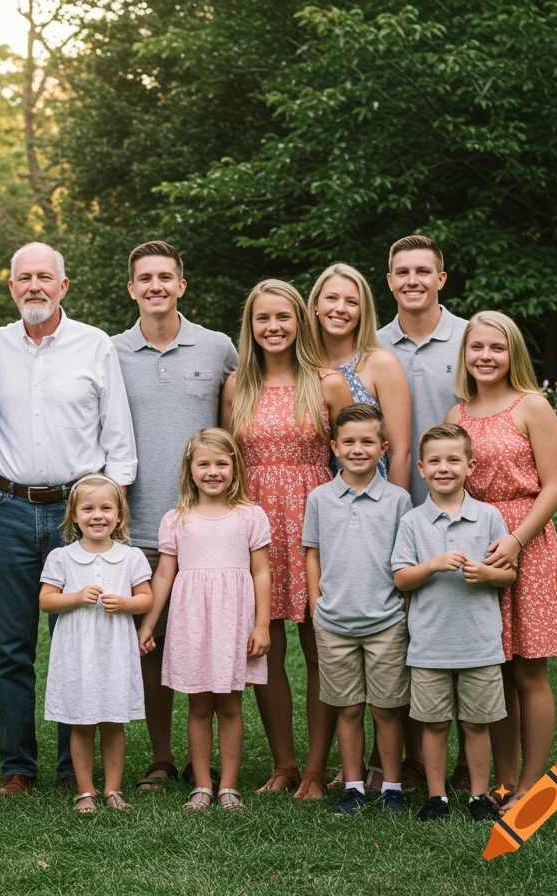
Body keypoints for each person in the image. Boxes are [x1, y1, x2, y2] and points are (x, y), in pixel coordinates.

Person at [0, 242, 137, 795]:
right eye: (23, 277)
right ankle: (17, 766)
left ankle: (76, 768)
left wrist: (106, 514)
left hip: (80, 514)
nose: (34, 287)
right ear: (11, 287)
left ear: (63, 286)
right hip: (7, 509)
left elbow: (118, 439)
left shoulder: (95, 345)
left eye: (45, 277)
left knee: (82, 638)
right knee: (12, 646)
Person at [112, 240, 238, 792]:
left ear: (181, 285)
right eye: (146, 278)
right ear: (132, 288)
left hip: (207, 526)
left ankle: (211, 763)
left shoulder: (216, 349)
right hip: (138, 525)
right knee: (152, 645)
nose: (156, 286)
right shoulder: (108, 351)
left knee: (213, 642)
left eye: (166, 277)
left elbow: (231, 435)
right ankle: (162, 757)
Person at [222, 278, 351, 799]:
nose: (273, 327)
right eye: (262, 319)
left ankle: (319, 768)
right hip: (255, 526)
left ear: (300, 321)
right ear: (250, 327)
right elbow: (223, 462)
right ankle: (284, 765)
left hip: (317, 523)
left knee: (322, 644)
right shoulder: (236, 387)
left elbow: (356, 457)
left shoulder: (328, 383)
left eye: (283, 317)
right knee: (265, 646)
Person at [447, 311, 557, 813]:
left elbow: (555, 485)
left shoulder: (532, 406)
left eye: (496, 348)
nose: (486, 356)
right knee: (491, 668)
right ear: (465, 354)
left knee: (528, 672)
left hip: (527, 543)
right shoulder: (458, 415)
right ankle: (501, 779)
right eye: (477, 347)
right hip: (479, 544)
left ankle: (531, 784)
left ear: (512, 353)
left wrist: (518, 539)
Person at [139, 428, 272, 813]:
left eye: (221, 463)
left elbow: (261, 572)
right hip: (192, 623)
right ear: (190, 469)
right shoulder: (176, 519)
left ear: (234, 468)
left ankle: (228, 786)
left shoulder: (250, 515)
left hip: (234, 623)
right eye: (204, 464)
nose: (213, 472)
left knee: (230, 705)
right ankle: (201, 785)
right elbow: (164, 575)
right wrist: (148, 624)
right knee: (198, 706)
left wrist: (261, 625)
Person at [392, 424, 516, 822]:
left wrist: (488, 574)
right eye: (435, 461)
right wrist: (431, 566)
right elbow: (400, 577)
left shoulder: (488, 516)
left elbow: (509, 574)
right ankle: (436, 796)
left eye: (453, 460)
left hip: (479, 643)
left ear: (470, 465)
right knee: (435, 724)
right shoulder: (413, 522)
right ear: (421, 468)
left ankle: (480, 796)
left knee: (477, 724)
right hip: (429, 645)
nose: (444, 468)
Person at [302, 405, 413, 816]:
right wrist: (316, 604)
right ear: (334, 447)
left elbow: (405, 560)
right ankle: (352, 787)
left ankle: (392, 786)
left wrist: (403, 611)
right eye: (348, 441)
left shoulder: (399, 501)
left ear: (383, 447)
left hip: (385, 622)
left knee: (386, 708)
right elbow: (312, 553)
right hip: (334, 622)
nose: (358, 449)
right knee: (347, 707)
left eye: (368, 441)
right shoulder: (320, 498)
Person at [39, 474, 152, 814]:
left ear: (120, 515)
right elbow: (46, 600)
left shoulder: (130, 557)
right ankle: (85, 790)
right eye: (88, 508)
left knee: (114, 721)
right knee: (82, 720)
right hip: (78, 652)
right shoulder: (62, 557)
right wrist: (74, 597)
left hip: (115, 651)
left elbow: (146, 598)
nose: (97, 515)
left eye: (106, 508)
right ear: (74, 515)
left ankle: (113, 790)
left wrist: (126, 604)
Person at [377, 236, 467, 506]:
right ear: (390, 280)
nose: (412, 281)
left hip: (464, 502)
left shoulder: (472, 341)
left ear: (441, 279)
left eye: (423, 272)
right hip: (389, 500)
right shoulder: (371, 347)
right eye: (403, 272)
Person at [307, 263, 412, 488]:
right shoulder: (301, 368)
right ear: (316, 303)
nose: (340, 309)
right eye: (332, 298)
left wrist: (394, 510)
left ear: (363, 311)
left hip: (372, 497)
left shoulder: (380, 364)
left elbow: (400, 451)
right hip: (314, 494)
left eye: (352, 302)